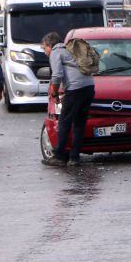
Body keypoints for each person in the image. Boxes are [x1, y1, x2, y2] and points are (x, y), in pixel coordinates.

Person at [42, 31, 95, 167]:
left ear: (49, 45)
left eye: (44, 48)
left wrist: (54, 93)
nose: (44, 51)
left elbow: (57, 75)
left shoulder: (56, 52)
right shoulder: (69, 49)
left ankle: (59, 156)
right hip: (89, 87)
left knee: (64, 122)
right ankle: (74, 157)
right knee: (79, 124)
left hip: (75, 89)